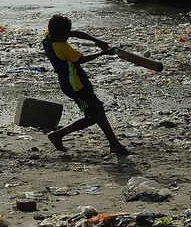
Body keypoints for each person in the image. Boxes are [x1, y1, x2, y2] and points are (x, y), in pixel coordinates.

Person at [42, 15, 129, 155]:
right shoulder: (63, 47)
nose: (69, 35)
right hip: (76, 86)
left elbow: (75, 33)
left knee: (98, 109)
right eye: (67, 33)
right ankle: (58, 135)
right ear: (63, 34)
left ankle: (114, 144)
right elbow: (81, 59)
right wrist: (103, 53)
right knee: (92, 116)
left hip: (73, 81)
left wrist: (96, 40)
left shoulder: (48, 37)